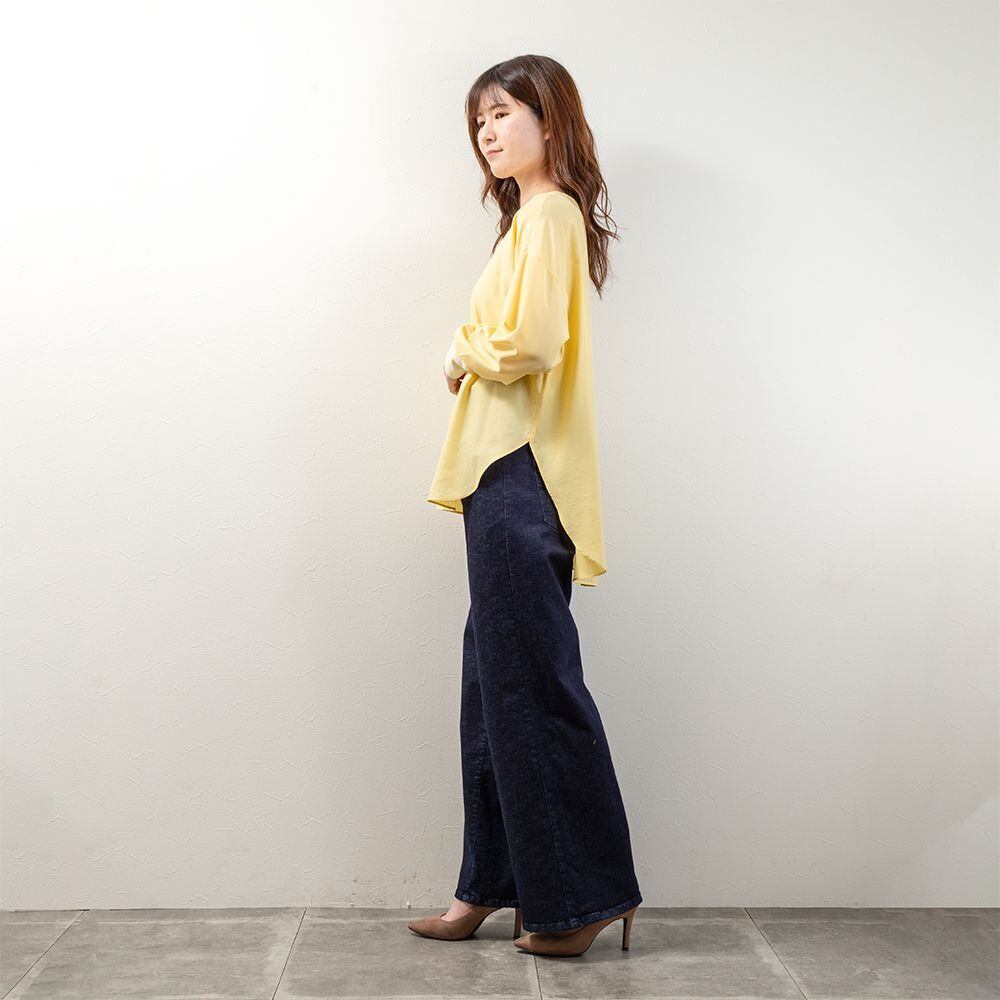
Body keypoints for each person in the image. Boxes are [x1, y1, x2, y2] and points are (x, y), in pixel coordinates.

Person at [412, 54, 642, 958]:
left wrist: (461, 352)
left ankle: (583, 896)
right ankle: (490, 885)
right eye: (479, 121)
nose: (488, 132)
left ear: (551, 120)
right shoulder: (528, 223)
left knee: (529, 684)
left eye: (503, 113)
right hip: (501, 476)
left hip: (521, 472)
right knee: (492, 685)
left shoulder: (549, 214)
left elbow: (533, 340)